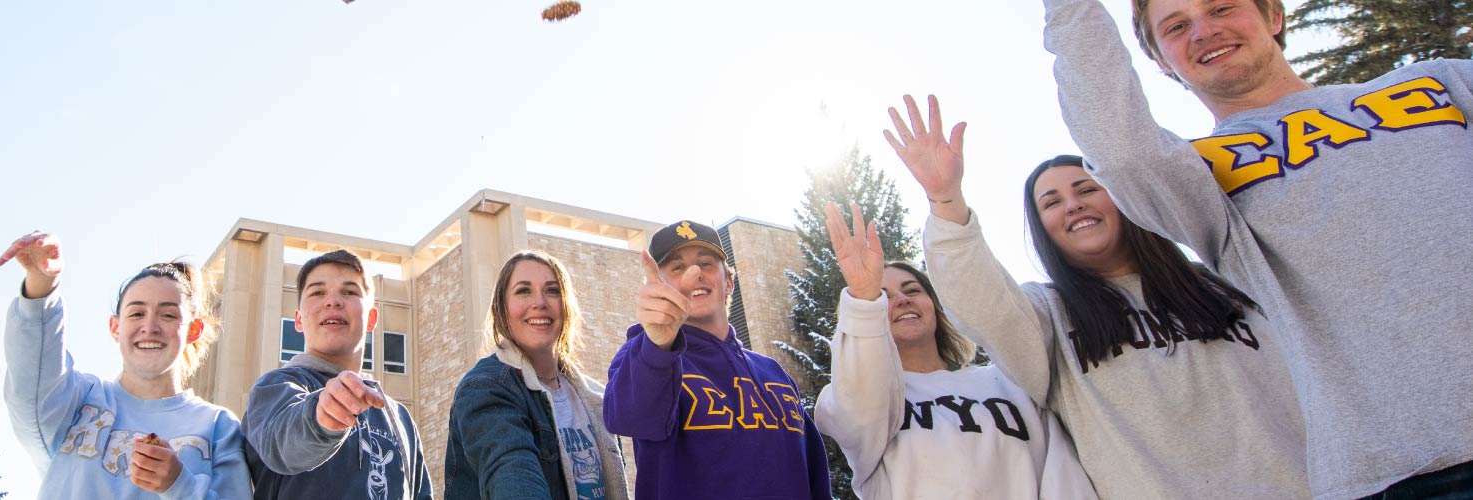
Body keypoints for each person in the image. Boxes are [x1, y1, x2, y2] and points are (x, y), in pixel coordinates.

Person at [1036, 0, 1473, 495]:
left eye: (1221, 7)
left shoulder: (1437, 84)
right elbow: (1116, 147)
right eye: (1176, 27)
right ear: (1161, 61)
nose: (1204, 30)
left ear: (1275, 16)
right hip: (1409, 472)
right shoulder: (1199, 173)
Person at [888, 96, 1306, 498]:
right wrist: (946, 201)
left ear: (1121, 197)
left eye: (1086, 189)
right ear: (1042, 229)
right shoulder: (1048, 315)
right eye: (1051, 202)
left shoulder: (1225, 283)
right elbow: (980, 304)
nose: (1072, 205)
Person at [812, 202, 1095, 500]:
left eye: (912, 290)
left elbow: (1064, 476)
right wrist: (863, 297)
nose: (901, 300)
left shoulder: (1009, 381)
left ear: (935, 306)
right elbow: (857, 405)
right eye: (883, 296)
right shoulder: (858, 403)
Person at [0, 232, 250, 500]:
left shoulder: (217, 426)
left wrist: (180, 485)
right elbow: (33, 376)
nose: (150, 327)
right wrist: (42, 284)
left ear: (194, 330)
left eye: (168, 315)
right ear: (115, 327)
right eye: (136, 313)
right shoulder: (77, 401)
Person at [604, 220, 829, 500]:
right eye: (677, 267)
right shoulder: (644, 355)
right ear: (658, 287)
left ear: (729, 282)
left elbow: (815, 476)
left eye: (706, 263)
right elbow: (627, 418)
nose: (694, 274)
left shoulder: (773, 373)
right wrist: (658, 343)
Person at [242, 249, 433, 500]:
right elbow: (283, 444)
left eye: (349, 291)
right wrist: (320, 416)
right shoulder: (275, 388)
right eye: (317, 292)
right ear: (298, 320)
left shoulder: (398, 415)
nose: (332, 301)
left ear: (372, 318)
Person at [445, 251, 632, 500]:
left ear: (567, 306)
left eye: (553, 290)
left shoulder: (596, 397)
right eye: (523, 291)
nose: (540, 302)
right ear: (502, 308)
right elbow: (512, 473)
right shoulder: (484, 388)